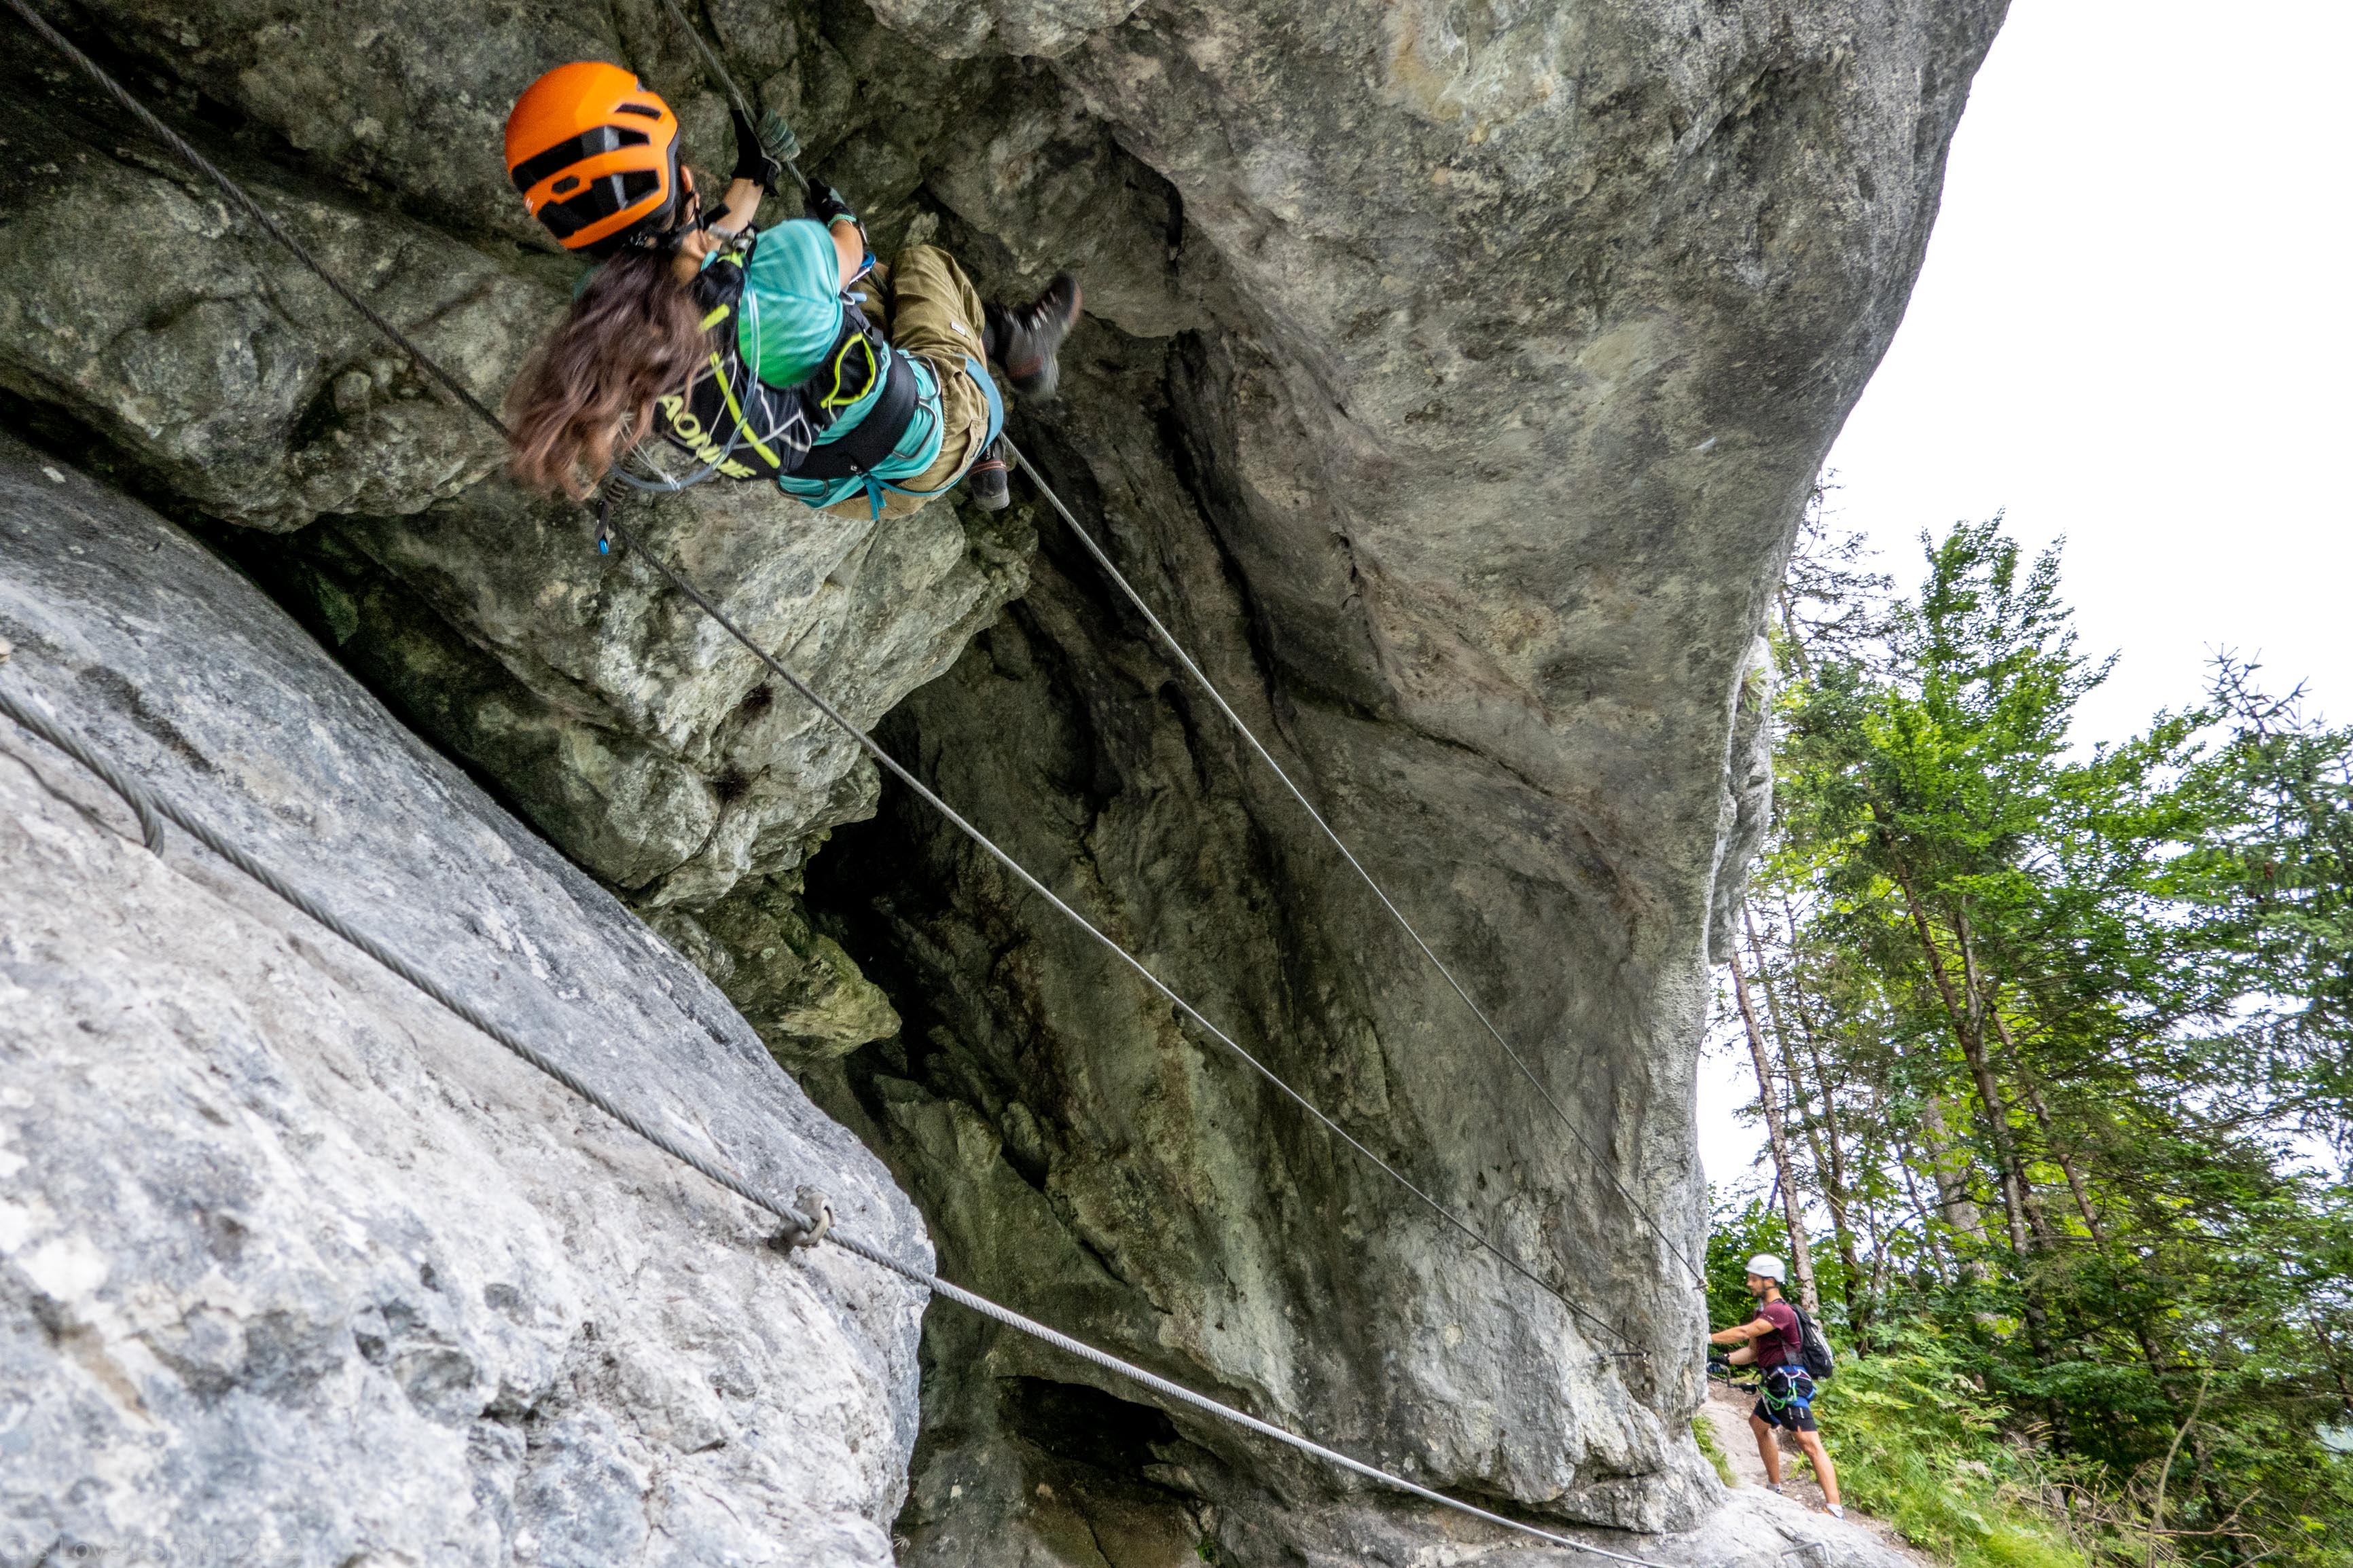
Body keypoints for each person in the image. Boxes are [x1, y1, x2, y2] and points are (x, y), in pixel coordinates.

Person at [499, 61, 1079, 517]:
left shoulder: (609, 328)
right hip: (935, 437)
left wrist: (755, 174)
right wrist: (838, 215)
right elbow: (851, 245)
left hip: (843, 490)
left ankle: (980, 444)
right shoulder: (790, 260)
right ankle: (1012, 354)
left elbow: (688, 253)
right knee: (915, 270)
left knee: (852, 319)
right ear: (684, 179)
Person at [1708, 1253, 1844, 1518]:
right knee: (1759, 1425)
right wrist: (1723, 1359)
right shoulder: (1762, 1312)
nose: (1749, 1283)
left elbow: (1745, 1332)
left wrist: (1707, 1337)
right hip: (1776, 1385)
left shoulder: (1779, 1311)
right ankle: (1774, 1488)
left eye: (1754, 1279)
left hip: (1789, 1383)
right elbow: (1752, 1352)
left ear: (1769, 1281)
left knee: (1809, 1443)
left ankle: (1835, 1508)